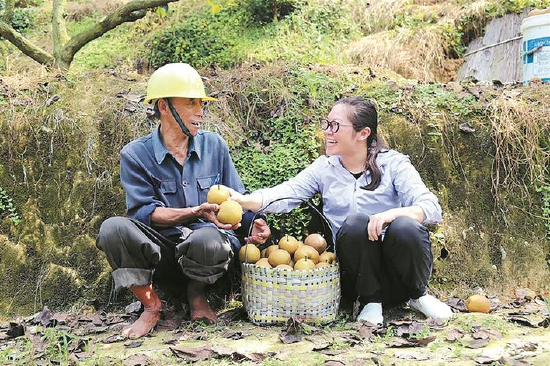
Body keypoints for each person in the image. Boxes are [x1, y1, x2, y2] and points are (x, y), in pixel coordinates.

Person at [230, 96, 453, 325]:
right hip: (356, 277)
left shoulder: (394, 165)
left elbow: (431, 207)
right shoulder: (325, 168)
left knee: (405, 226)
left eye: (335, 126)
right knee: (356, 223)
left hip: (398, 273)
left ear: (363, 133)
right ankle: (370, 302)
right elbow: (286, 193)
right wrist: (242, 200)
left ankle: (418, 295)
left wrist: (391, 215)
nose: (327, 131)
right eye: (326, 124)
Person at [96, 63, 270, 339]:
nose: (199, 111)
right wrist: (195, 211)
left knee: (207, 240)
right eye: (191, 103)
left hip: (208, 252)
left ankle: (197, 295)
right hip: (163, 253)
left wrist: (254, 225)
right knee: (112, 229)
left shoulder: (215, 146)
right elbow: (143, 214)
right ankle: (151, 306)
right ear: (164, 107)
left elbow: (236, 198)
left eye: (201, 103)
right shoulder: (134, 155)